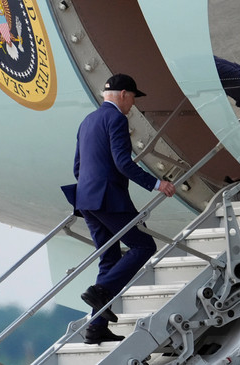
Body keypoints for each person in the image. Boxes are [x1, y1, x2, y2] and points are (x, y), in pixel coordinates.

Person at [73, 74, 176, 345]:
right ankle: (101, 290)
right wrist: (157, 184)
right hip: (108, 198)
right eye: (132, 98)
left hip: (86, 200)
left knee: (109, 260)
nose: (133, 105)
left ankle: (95, 329)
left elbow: (77, 167)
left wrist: (89, 190)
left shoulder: (88, 121)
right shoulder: (117, 119)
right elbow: (123, 163)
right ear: (122, 95)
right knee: (144, 247)